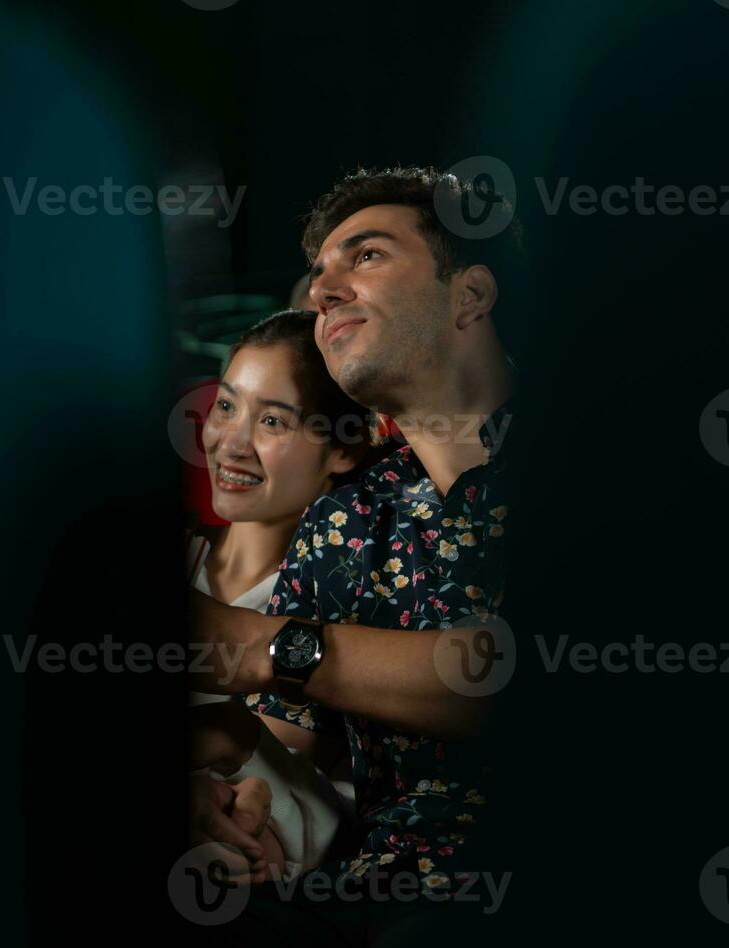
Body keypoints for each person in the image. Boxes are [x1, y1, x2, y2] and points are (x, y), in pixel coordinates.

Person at [184, 166, 523, 914]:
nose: (322, 291)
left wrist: (249, 645)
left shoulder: (602, 450)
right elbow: (296, 770)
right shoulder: (342, 523)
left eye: (365, 256)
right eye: (318, 273)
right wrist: (233, 782)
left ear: (471, 294)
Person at [184, 309, 385, 881]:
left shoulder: (339, 617)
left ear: (342, 450)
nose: (231, 443)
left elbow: (260, 795)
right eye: (226, 406)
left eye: (272, 421)